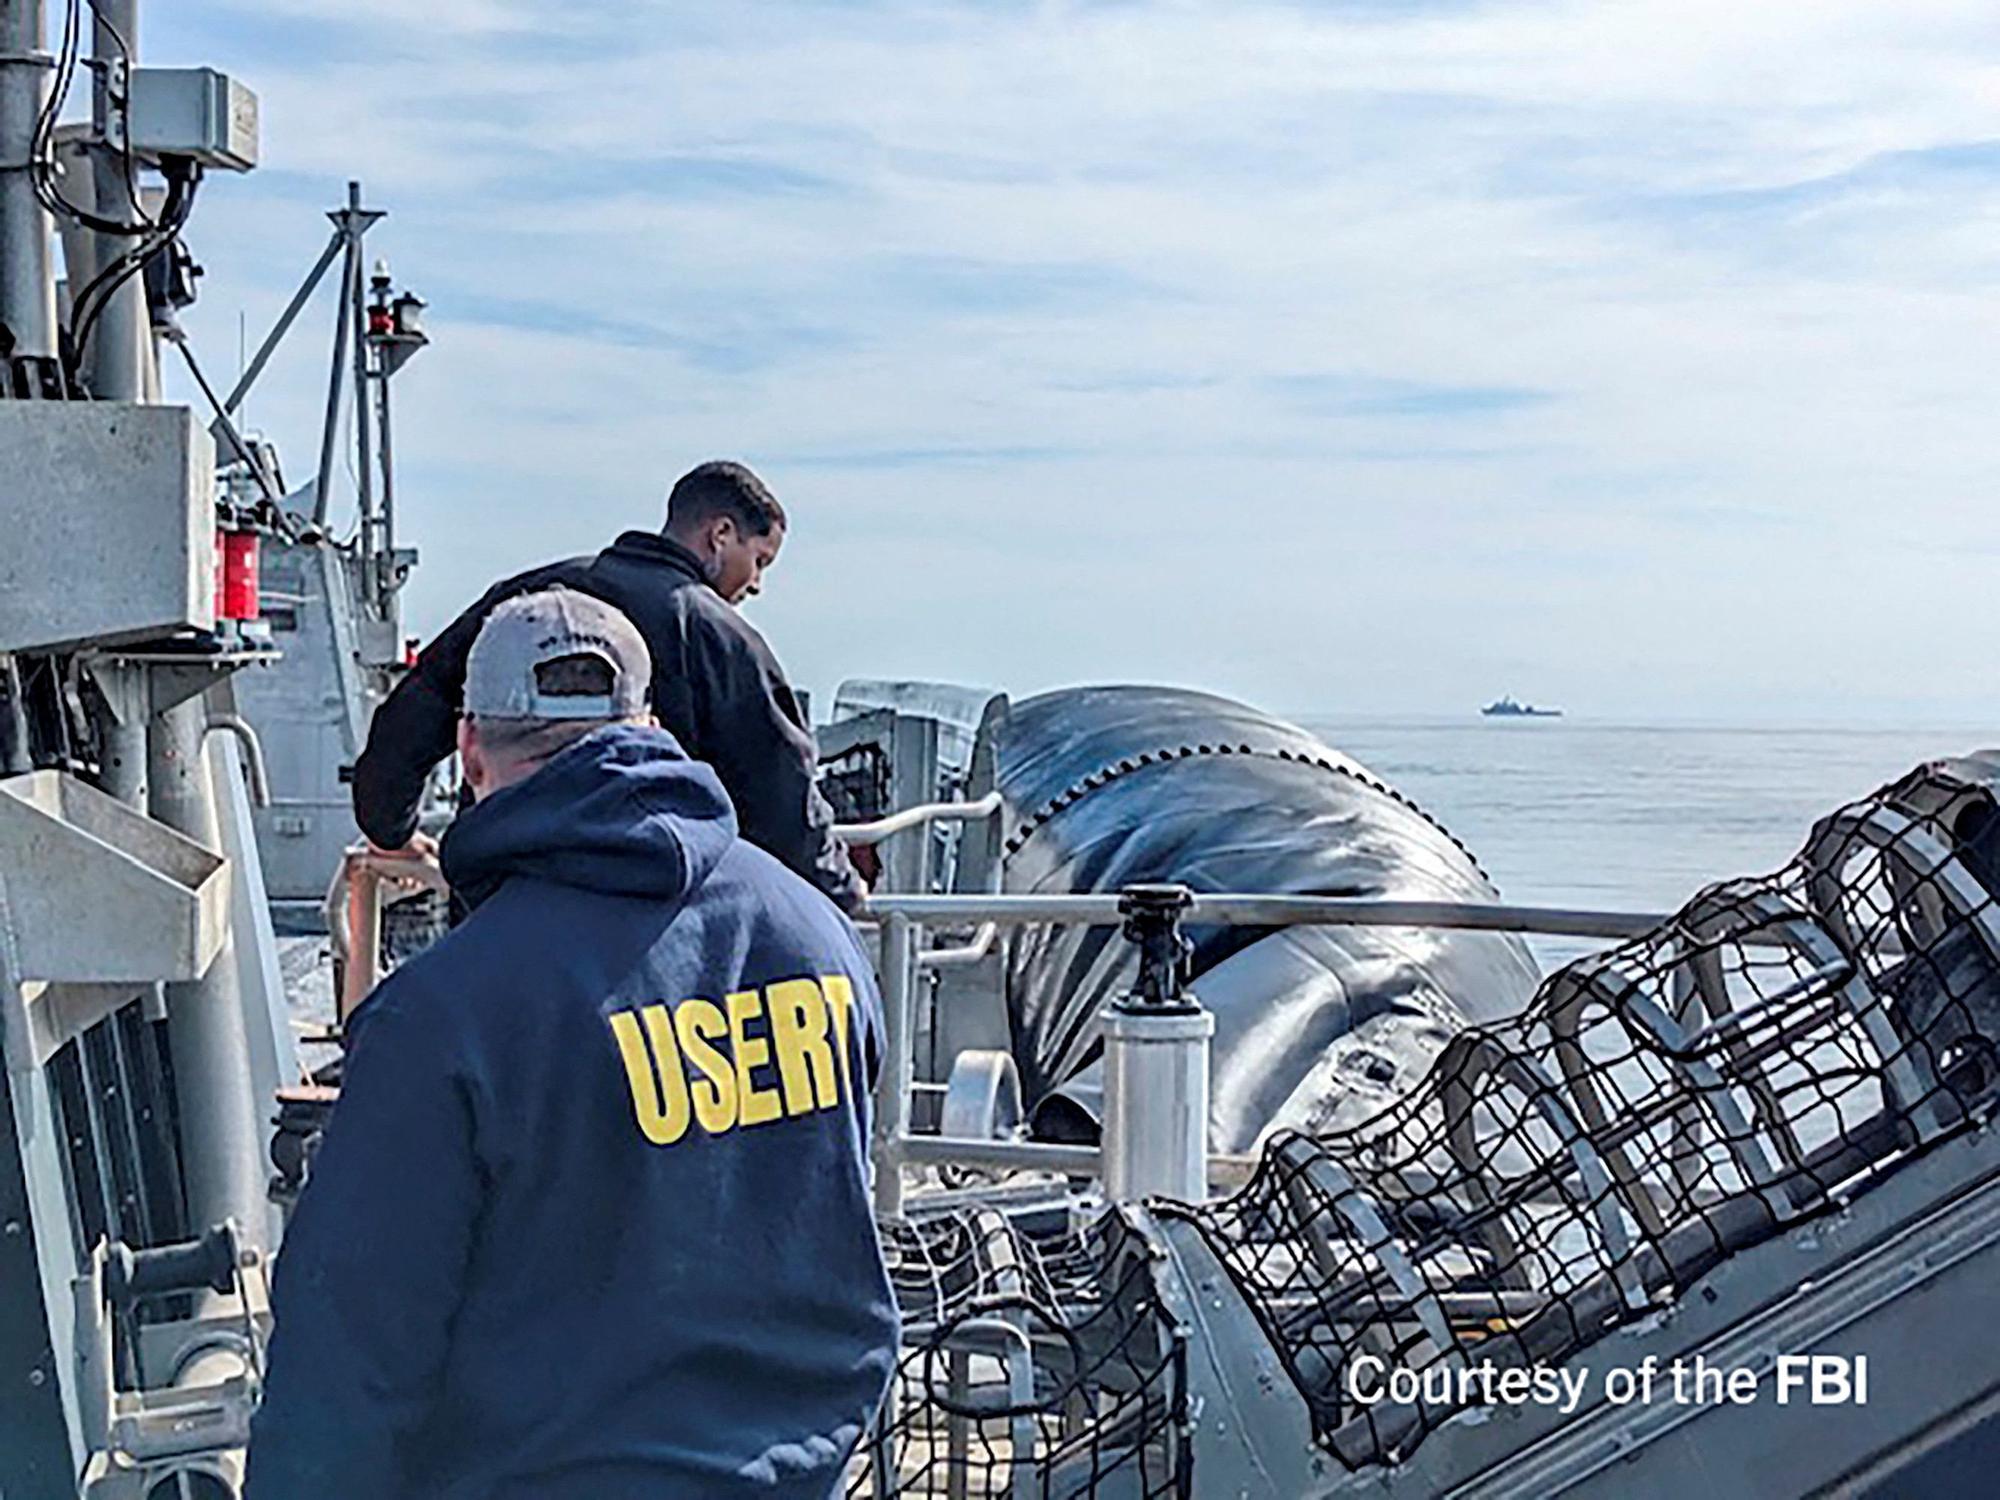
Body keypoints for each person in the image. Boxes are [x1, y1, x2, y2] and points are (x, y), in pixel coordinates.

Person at [248, 588, 898, 1499]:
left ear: (470, 749)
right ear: (652, 724)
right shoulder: (818, 940)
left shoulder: (443, 1017)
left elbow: (348, 1368)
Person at [351, 459, 865, 912]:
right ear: (720, 534)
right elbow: (781, 791)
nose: (756, 583)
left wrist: (388, 830)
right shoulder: (725, 640)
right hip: (649, 934)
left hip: (503, 912)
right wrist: (841, 891)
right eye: (760, 561)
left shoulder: (528, 598)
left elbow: (417, 709)